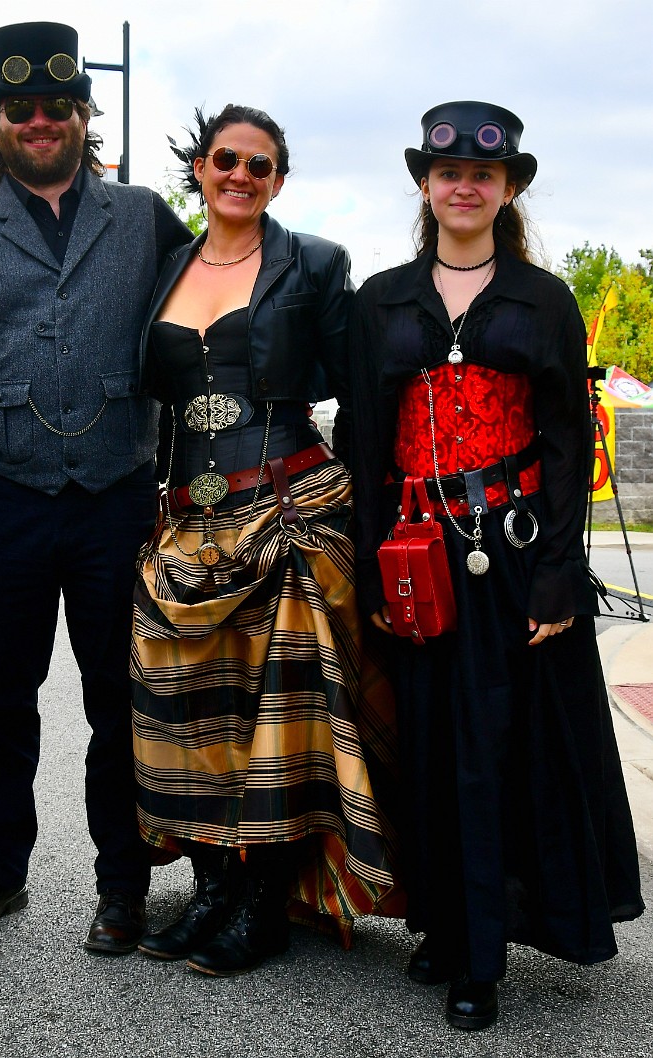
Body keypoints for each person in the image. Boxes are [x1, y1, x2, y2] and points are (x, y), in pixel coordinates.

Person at [348, 101, 644, 1030]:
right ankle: (441, 920)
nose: (464, 186)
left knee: (497, 750)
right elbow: (363, 443)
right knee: (428, 747)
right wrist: (368, 571)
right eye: (447, 174)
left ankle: (481, 952)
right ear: (426, 185)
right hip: (414, 555)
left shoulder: (543, 300)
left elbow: (563, 440)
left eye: (485, 173)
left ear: (508, 186)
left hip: (516, 561)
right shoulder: (383, 300)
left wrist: (562, 571)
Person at [0, 22, 193, 954]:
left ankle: (123, 882)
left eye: (55, 107)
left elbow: (222, 295)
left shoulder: (144, 217)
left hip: (117, 493)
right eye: (19, 109)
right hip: (1, 498)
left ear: (82, 115)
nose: (38, 121)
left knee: (121, 698)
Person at [131, 104, 403, 978]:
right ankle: (212, 889)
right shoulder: (164, 268)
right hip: (189, 523)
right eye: (225, 160)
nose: (240, 175)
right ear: (201, 170)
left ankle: (263, 905)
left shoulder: (315, 263)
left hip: (291, 505)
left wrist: (372, 507)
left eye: (260, 164)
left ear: (278, 179)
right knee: (188, 712)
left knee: (279, 722)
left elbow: (359, 390)